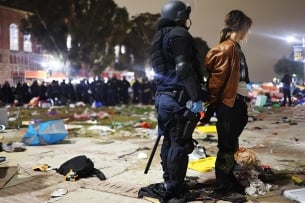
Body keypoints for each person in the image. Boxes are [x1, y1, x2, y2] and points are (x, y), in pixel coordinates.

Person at [140, 1, 204, 202]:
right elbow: (184, 68)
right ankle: (175, 187)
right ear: (180, 16)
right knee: (179, 142)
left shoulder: (159, 36)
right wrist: (196, 98)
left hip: (163, 97)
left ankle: (170, 180)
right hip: (178, 97)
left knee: (169, 140)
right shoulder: (178, 33)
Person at [205, 10, 252, 202]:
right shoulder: (227, 48)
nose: (247, 32)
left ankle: (229, 178)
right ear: (240, 27)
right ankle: (222, 187)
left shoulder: (236, 47)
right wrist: (210, 105)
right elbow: (216, 82)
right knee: (226, 146)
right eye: (246, 28)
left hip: (236, 102)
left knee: (231, 144)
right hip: (228, 104)